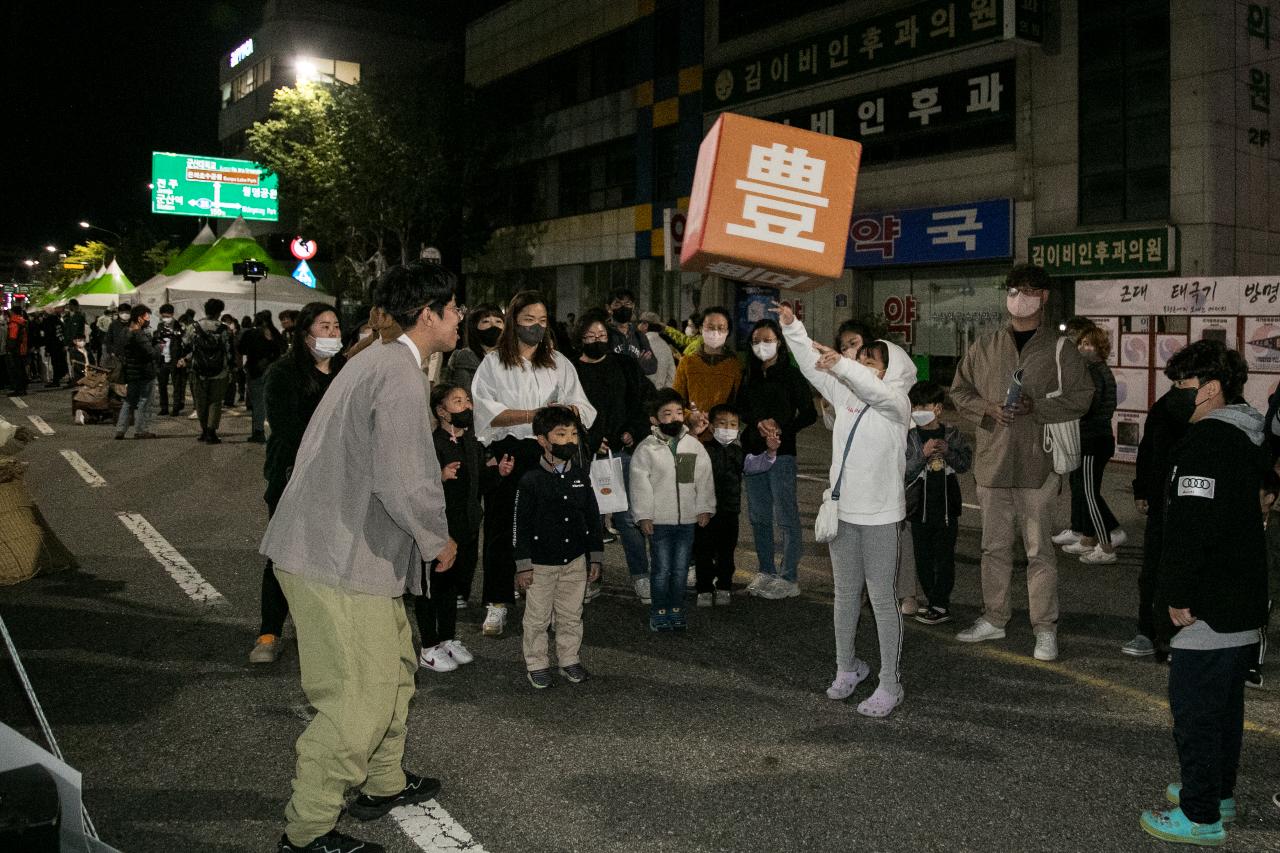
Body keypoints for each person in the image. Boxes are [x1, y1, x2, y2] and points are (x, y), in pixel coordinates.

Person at [261, 262, 459, 853]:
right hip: (337, 558)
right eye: (454, 311)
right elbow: (403, 478)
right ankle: (308, 830)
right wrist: (437, 537)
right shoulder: (396, 371)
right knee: (360, 696)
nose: (460, 320)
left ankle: (382, 781)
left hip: (348, 552)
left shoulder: (375, 359)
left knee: (397, 666)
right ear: (428, 314)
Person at [1140, 340, 1269, 848]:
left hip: (1209, 603)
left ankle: (1200, 815)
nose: (1174, 395)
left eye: (1182, 386)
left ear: (1210, 388)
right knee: (1225, 706)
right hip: (1241, 598)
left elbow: (1191, 528)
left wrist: (1175, 594)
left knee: (1194, 711)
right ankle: (1220, 793)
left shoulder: (1206, 443)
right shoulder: (1246, 435)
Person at [774, 301, 916, 718]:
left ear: (895, 370)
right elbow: (809, 365)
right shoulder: (847, 394)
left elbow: (874, 389)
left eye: (872, 359)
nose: (862, 362)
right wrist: (793, 328)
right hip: (843, 514)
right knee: (844, 596)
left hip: (881, 518)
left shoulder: (897, 404)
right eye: (862, 356)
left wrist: (846, 366)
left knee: (883, 600)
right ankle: (847, 667)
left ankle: (890, 683)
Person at [949, 263, 1093, 661]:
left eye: (1028, 290)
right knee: (993, 548)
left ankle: (1044, 628)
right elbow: (959, 391)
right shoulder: (985, 345)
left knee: (1038, 551)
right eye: (1013, 290)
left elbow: (1082, 396)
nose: (1019, 298)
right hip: (993, 465)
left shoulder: (1060, 348)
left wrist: (1039, 406)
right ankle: (994, 618)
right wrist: (988, 409)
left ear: (1044, 297)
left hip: (1038, 465)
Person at [470, 290, 596, 638]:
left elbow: (583, 407)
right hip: (510, 451)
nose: (536, 327)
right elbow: (485, 412)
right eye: (528, 320)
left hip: (549, 453)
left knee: (550, 525)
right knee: (502, 525)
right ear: (513, 321)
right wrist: (533, 415)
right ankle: (497, 601)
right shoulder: (494, 363)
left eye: (542, 321)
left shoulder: (558, 362)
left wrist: (566, 413)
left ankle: (550, 602)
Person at [249, 302, 346, 665]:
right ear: (305, 333)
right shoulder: (283, 372)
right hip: (293, 474)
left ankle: (321, 629)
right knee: (284, 553)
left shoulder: (345, 372)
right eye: (324, 326)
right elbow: (287, 427)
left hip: (340, 477)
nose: (333, 332)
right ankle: (269, 631)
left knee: (331, 555)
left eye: (336, 326)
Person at [417, 384, 514, 672]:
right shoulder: (431, 443)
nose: (467, 406)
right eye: (457, 401)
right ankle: (428, 645)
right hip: (438, 528)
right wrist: (440, 476)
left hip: (467, 526)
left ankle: (447, 639)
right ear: (441, 411)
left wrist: (498, 474)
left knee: (452, 588)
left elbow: (477, 485)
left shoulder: (471, 442)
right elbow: (417, 486)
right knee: (431, 587)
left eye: (467, 401)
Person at [514, 405, 604, 687]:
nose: (569, 440)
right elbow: (520, 526)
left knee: (571, 614)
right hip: (540, 563)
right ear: (542, 440)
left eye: (574, 434)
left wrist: (596, 557)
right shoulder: (530, 480)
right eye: (561, 434)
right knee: (537, 617)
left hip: (575, 560)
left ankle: (569, 659)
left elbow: (591, 517)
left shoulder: (580, 476)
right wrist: (523, 565)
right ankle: (537, 662)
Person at [572, 309, 653, 601]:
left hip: (621, 452)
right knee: (587, 519)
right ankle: (592, 576)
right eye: (590, 336)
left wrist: (634, 429)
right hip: (584, 455)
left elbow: (642, 399)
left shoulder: (624, 364)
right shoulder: (571, 369)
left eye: (602, 336)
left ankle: (641, 575)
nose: (597, 340)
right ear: (580, 338)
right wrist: (590, 440)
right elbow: (569, 411)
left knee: (627, 518)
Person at [738, 317, 817, 599]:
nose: (762, 345)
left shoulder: (791, 375)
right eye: (757, 340)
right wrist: (758, 422)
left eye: (768, 340)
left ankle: (789, 577)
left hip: (782, 453)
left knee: (786, 516)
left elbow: (809, 413)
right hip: (753, 452)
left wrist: (782, 428)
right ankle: (766, 571)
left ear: (779, 343)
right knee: (758, 516)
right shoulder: (748, 374)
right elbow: (740, 409)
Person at [629, 388, 715, 632]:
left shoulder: (693, 445)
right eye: (667, 413)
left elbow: (703, 478)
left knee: (680, 570)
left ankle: (676, 608)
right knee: (661, 569)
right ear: (654, 420)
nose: (675, 417)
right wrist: (644, 515)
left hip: (687, 520)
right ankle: (659, 610)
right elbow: (639, 485)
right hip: (660, 522)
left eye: (679, 412)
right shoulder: (646, 449)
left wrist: (704, 507)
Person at [1123, 383, 1195, 659]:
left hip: (1192, 504)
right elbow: (1148, 449)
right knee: (1152, 568)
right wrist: (1142, 489)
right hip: (1161, 503)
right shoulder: (1164, 407)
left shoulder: (1217, 410)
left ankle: (1182, 637)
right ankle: (1147, 631)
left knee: (1188, 567)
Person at [904, 381, 973, 625]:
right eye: (915, 405)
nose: (918, 410)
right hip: (919, 509)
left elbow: (965, 464)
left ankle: (939, 604)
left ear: (938, 408)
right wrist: (922, 455)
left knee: (944, 558)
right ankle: (932, 599)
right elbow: (905, 472)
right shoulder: (910, 436)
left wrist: (949, 452)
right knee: (923, 558)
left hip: (946, 509)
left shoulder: (951, 433)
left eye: (924, 405)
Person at [1056, 326, 1124, 564]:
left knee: (1089, 493)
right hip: (1097, 437)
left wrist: (1068, 407)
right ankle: (1087, 539)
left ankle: (1106, 547)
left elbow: (1088, 407)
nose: (1083, 347)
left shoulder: (1094, 373)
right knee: (1086, 490)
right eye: (1081, 343)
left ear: (1099, 348)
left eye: (1089, 344)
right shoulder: (1098, 370)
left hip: (1092, 439)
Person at [692, 404, 746, 606]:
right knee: (703, 551)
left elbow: (753, 466)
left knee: (727, 552)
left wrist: (771, 453)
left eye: (733, 425)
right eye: (723, 424)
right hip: (706, 512)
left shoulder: (737, 452)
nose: (728, 428)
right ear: (712, 428)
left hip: (730, 511)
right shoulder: (703, 449)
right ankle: (704, 588)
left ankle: (724, 586)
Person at [672, 306, 742, 433]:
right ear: (700, 329)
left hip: (723, 435)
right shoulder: (687, 362)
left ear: (728, 331)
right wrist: (690, 416)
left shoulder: (734, 365)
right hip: (691, 432)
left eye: (721, 328)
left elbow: (738, 403)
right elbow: (676, 400)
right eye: (710, 327)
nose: (715, 332)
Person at [181, 298, 234, 444]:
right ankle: (212, 432)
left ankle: (204, 430)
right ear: (219, 312)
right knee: (215, 401)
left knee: (200, 401)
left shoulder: (194, 327)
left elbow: (185, 344)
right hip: (220, 371)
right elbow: (229, 351)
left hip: (198, 370)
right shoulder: (224, 328)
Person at [241, 310, 287, 443]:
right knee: (272, 402)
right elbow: (282, 349)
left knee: (257, 403)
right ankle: (275, 429)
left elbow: (241, 348)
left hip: (255, 372)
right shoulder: (276, 334)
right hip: (273, 372)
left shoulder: (251, 334)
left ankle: (258, 430)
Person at [114, 305, 160, 440]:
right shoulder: (139, 334)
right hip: (144, 372)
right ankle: (141, 430)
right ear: (140, 318)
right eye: (147, 317)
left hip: (130, 372)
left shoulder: (124, 332)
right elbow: (151, 353)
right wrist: (158, 346)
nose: (148, 320)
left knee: (129, 401)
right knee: (144, 401)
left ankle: (120, 430)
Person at [445, 303, 502, 395]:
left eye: (498, 321)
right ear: (474, 327)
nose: (493, 325)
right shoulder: (464, 357)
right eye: (486, 321)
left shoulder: (512, 358)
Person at [604, 288, 657, 376]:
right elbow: (605, 368)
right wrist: (637, 365)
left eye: (628, 304)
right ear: (609, 308)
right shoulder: (603, 334)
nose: (623, 307)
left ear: (633, 307)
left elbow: (653, 366)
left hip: (635, 388)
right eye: (618, 304)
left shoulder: (638, 335)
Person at [152, 304, 185, 416]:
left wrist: (181, 358)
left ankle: (175, 408)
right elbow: (157, 340)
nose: (165, 318)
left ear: (172, 314)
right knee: (162, 385)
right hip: (162, 359)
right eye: (163, 316)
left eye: (167, 316)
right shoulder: (160, 325)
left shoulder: (178, 326)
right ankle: (164, 407)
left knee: (177, 386)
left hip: (174, 359)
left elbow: (183, 342)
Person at [639, 311, 676, 389]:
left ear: (645, 325)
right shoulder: (665, 346)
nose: (638, 326)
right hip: (661, 395)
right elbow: (672, 374)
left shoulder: (641, 344)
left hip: (644, 395)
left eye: (640, 323)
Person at [5, 305, 29, 398]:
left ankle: (19, 389)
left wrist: (9, 349)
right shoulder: (22, 321)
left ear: (13, 312)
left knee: (16, 369)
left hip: (16, 349)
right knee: (21, 368)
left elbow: (12, 337)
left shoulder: (14, 322)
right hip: (23, 348)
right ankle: (23, 387)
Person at [42, 307, 67, 388]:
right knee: (59, 362)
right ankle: (58, 378)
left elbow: (48, 335)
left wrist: (47, 348)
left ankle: (55, 380)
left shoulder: (48, 321)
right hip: (60, 343)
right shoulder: (58, 320)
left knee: (55, 363)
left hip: (53, 345)